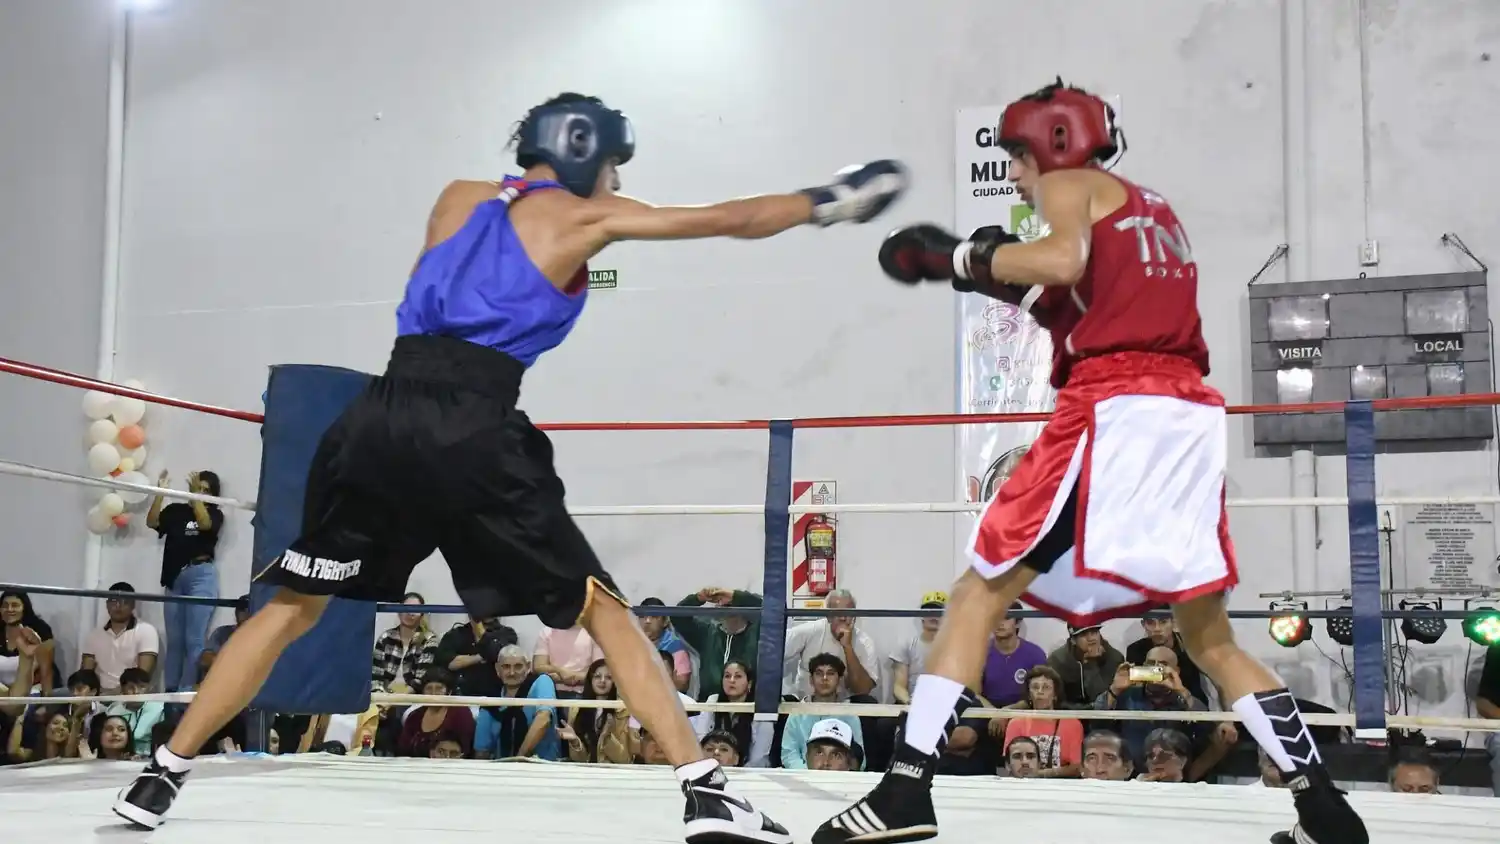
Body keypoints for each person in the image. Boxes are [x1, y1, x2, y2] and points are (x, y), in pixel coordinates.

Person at [114, 91, 906, 843]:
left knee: (291, 607)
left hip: (378, 417)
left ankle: (161, 774)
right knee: (602, 606)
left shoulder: (457, 196)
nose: (620, 180)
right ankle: (705, 788)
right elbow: (730, 219)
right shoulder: (588, 214)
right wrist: (828, 201)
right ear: (585, 152)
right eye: (614, 164)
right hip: (473, 426)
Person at [812, 79, 1366, 844]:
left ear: (1054, 142)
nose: (1015, 174)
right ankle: (1325, 808)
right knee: (1209, 637)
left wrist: (965, 253)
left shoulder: (1072, 184)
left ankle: (904, 792)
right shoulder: (1153, 211)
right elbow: (1070, 296)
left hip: (1114, 408)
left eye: (1017, 156)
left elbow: (1063, 260)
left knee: (978, 592)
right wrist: (963, 267)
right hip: (1185, 415)